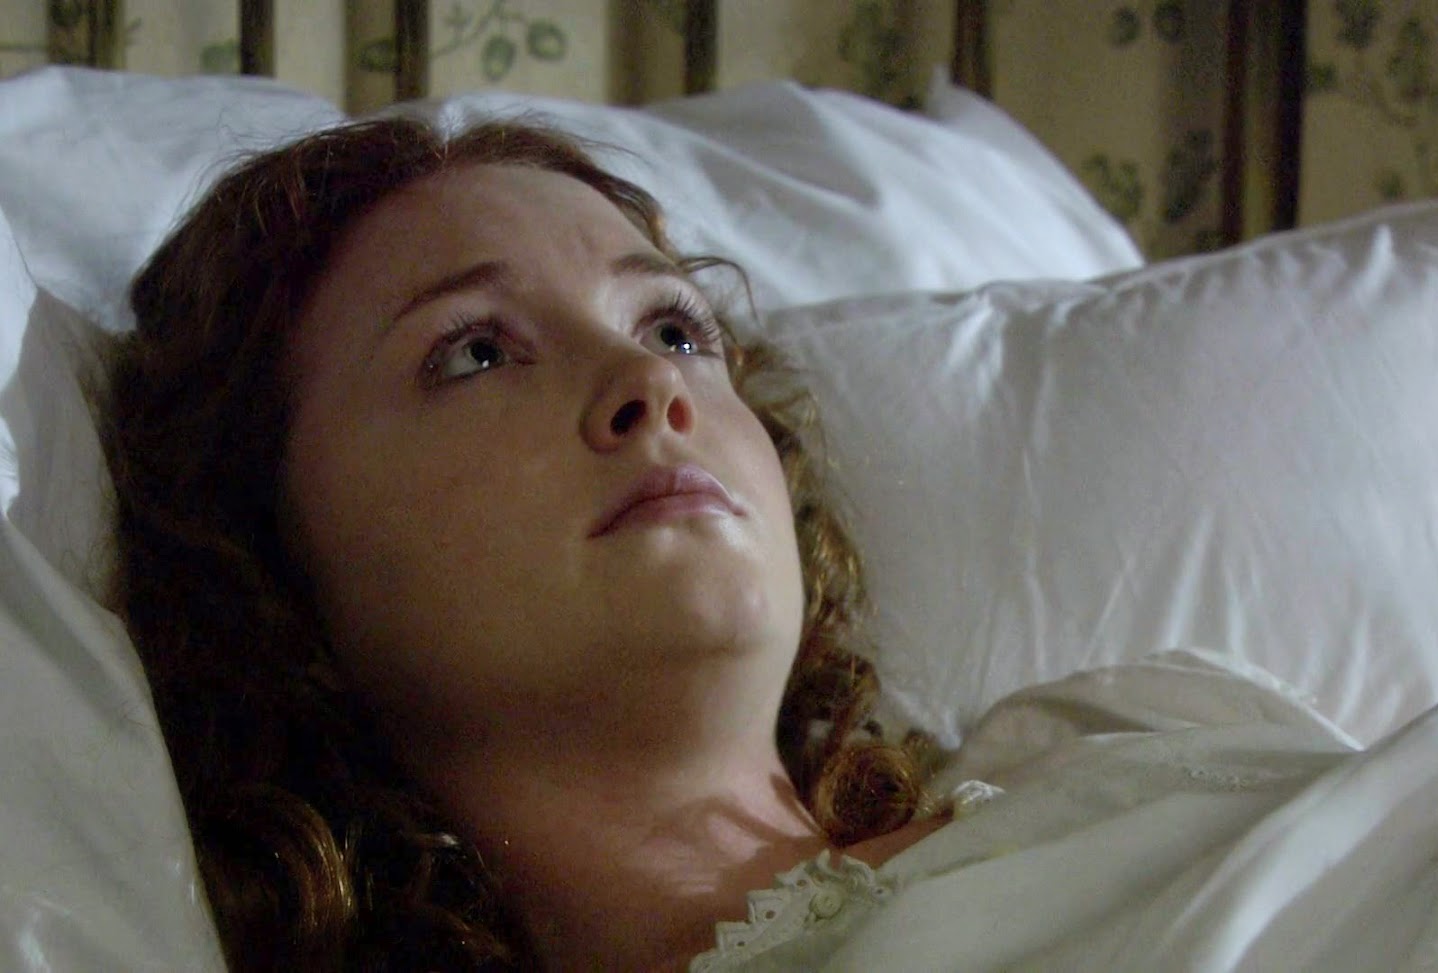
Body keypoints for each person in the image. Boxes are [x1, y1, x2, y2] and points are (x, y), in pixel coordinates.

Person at [98, 116, 939, 971]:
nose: (651, 379)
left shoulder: (1026, 784)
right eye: (477, 353)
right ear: (266, 555)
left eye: (675, 333)